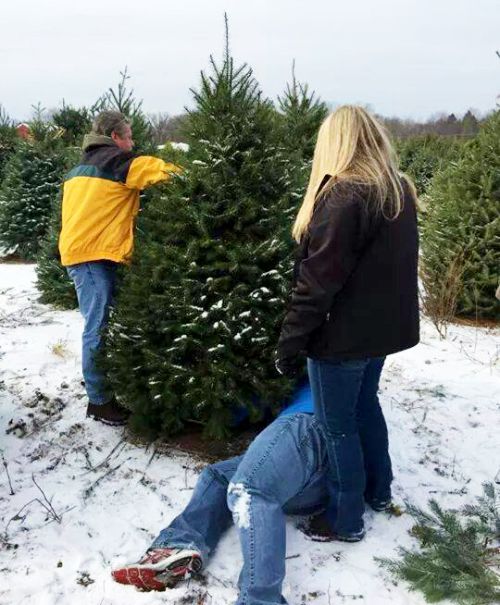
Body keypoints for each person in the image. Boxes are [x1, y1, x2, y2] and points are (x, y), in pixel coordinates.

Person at [275, 106, 419, 542]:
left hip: (342, 337)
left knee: (337, 425)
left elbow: (317, 283)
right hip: (378, 332)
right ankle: (379, 491)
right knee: (364, 407)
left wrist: (289, 342)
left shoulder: (344, 197)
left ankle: (345, 517)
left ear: (333, 143)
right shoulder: (397, 189)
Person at [111, 383, 331, 604]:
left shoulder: (315, 366)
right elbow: (254, 402)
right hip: (310, 486)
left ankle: (260, 601)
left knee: (249, 489)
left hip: (309, 425)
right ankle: (180, 543)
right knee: (218, 476)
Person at [59, 111, 181, 425]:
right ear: (115, 137)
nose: (133, 141)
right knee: (96, 327)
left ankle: (103, 382)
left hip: (87, 252)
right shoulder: (117, 161)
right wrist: (196, 171)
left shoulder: (79, 168)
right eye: (129, 136)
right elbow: (158, 170)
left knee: (101, 324)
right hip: (91, 257)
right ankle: (99, 402)